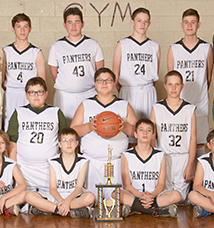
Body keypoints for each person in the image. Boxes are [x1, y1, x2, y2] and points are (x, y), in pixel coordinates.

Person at [70, 67, 137, 201]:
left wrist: (124, 126)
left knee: (117, 202)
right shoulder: (86, 104)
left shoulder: (124, 105)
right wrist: (89, 126)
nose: (104, 83)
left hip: (117, 163)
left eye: (108, 80)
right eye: (100, 80)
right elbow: (72, 132)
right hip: (91, 163)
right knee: (92, 201)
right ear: (95, 84)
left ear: (114, 83)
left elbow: (137, 133)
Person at [7, 77, 67, 196]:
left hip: (49, 168)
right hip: (23, 168)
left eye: (40, 92)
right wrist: (13, 171)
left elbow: (64, 143)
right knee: (22, 199)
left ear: (46, 94)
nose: (36, 96)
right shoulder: (18, 112)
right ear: (26, 95)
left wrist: (63, 168)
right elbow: (12, 143)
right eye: (32, 92)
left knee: (54, 198)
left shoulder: (56, 112)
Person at [167, 8, 213, 159]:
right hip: (180, 103)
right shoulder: (174, 49)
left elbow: (208, 78)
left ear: (198, 25)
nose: (189, 25)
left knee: (200, 142)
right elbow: (171, 79)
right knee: (183, 142)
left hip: (200, 102)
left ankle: (197, 179)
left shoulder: (207, 48)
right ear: (181, 25)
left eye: (193, 22)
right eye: (186, 22)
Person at [113, 118, 181, 218]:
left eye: (149, 130)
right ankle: (156, 211)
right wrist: (141, 196)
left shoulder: (161, 155)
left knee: (177, 195)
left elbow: (161, 184)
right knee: (115, 193)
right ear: (135, 134)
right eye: (141, 130)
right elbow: (127, 185)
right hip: (134, 196)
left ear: (153, 134)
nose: (145, 133)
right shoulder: (126, 155)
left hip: (155, 197)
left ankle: (134, 208)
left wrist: (151, 196)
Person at [48, 7, 104, 126]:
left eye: (77, 22)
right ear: (64, 24)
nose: (73, 26)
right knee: (64, 133)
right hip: (64, 97)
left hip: (88, 94)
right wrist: (68, 86)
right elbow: (54, 73)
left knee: (89, 131)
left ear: (83, 24)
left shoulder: (93, 44)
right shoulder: (57, 46)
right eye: (70, 22)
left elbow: (100, 72)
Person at [150, 70, 197, 205]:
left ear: (182, 86)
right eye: (170, 84)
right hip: (163, 157)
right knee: (165, 196)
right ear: (165, 86)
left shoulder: (189, 109)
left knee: (181, 200)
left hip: (182, 157)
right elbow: (152, 136)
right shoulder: (157, 107)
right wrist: (155, 160)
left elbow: (193, 139)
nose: (173, 88)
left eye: (177, 84)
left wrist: (190, 164)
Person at [25, 127, 94, 218]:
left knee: (90, 197)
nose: (69, 143)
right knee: (29, 196)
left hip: (74, 197)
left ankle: (48, 210)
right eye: (65, 140)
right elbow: (52, 188)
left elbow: (79, 187)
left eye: (72, 140)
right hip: (57, 197)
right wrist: (61, 202)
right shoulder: (53, 161)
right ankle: (68, 212)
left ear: (76, 143)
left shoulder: (83, 161)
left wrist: (67, 202)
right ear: (60, 144)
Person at [113, 7, 160, 123]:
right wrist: (124, 88)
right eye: (139, 20)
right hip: (128, 91)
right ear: (132, 22)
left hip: (148, 91)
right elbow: (115, 75)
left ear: (149, 23)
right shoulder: (122, 44)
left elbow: (154, 75)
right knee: (128, 129)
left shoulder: (155, 47)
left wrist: (144, 86)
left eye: (145, 21)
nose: (142, 24)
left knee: (148, 129)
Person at [2, 13, 46, 131]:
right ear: (13, 29)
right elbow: (2, 80)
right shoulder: (5, 51)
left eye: (25, 26)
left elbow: (42, 82)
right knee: (9, 128)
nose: (22, 30)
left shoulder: (36, 52)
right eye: (18, 26)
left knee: (28, 127)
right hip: (11, 94)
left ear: (30, 29)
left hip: (29, 95)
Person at [188, 129, 214, 217]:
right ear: (209, 145)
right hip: (206, 196)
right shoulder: (203, 161)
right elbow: (196, 186)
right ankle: (208, 209)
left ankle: (206, 210)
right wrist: (211, 194)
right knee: (192, 195)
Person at [0, 130, 26, 216]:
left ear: (6, 147)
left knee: (24, 195)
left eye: (2, 142)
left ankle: (4, 207)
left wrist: (4, 197)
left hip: (7, 199)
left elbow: (23, 185)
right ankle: (6, 209)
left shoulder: (11, 164)